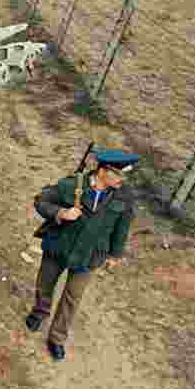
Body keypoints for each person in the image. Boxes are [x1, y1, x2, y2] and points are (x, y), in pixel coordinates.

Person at [25, 149, 138, 360]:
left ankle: (57, 338)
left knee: (72, 298)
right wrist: (61, 213)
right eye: (119, 174)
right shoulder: (72, 185)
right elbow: (41, 200)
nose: (122, 180)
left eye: (124, 175)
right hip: (60, 245)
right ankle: (39, 312)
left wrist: (115, 255)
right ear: (103, 171)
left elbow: (122, 227)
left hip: (90, 255)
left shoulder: (125, 196)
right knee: (45, 284)